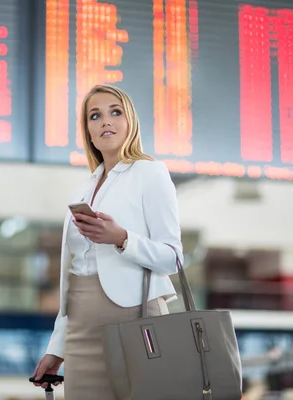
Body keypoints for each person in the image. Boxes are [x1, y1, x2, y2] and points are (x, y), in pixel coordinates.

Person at [32, 84, 184, 399]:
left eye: (115, 112)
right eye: (95, 116)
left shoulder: (150, 173)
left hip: (135, 315)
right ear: (87, 131)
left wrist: (122, 239)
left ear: (130, 122)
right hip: (81, 325)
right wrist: (56, 348)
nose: (106, 122)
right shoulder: (81, 191)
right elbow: (75, 273)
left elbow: (173, 258)